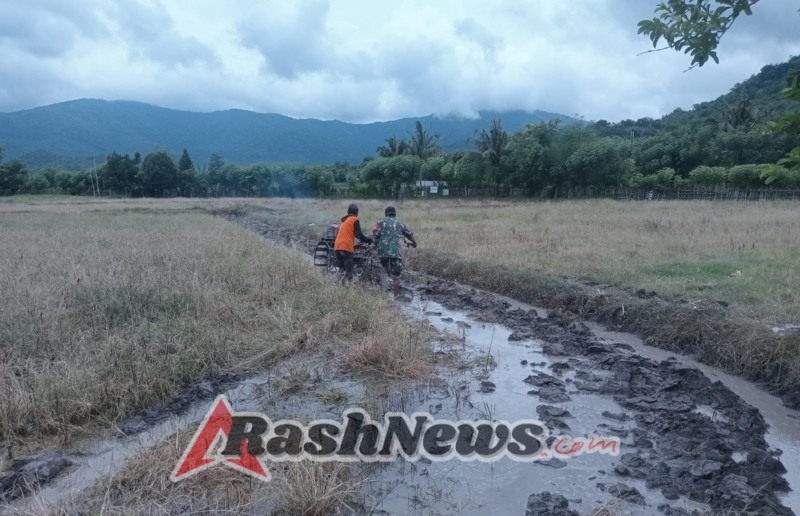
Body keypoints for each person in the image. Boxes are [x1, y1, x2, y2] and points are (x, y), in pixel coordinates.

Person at [373, 206, 416, 297]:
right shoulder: (400, 224)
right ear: (395, 214)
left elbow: (375, 235)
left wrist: (376, 244)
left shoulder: (379, 222)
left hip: (383, 251)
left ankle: (390, 277)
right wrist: (414, 243)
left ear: (386, 214)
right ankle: (396, 296)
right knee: (396, 276)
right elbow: (410, 235)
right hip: (396, 251)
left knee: (385, 264)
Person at [333, 203, 372, 282]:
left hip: (337, 246)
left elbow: (354, 234)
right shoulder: (355, 219)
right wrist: (368, 240)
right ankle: (348, 289)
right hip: (346, 246)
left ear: (348, 212)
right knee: (349, 270)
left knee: (341, 269)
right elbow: (359, 234)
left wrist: (362, 238)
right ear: (356, 212)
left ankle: (337, 285)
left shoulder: (344, 221)